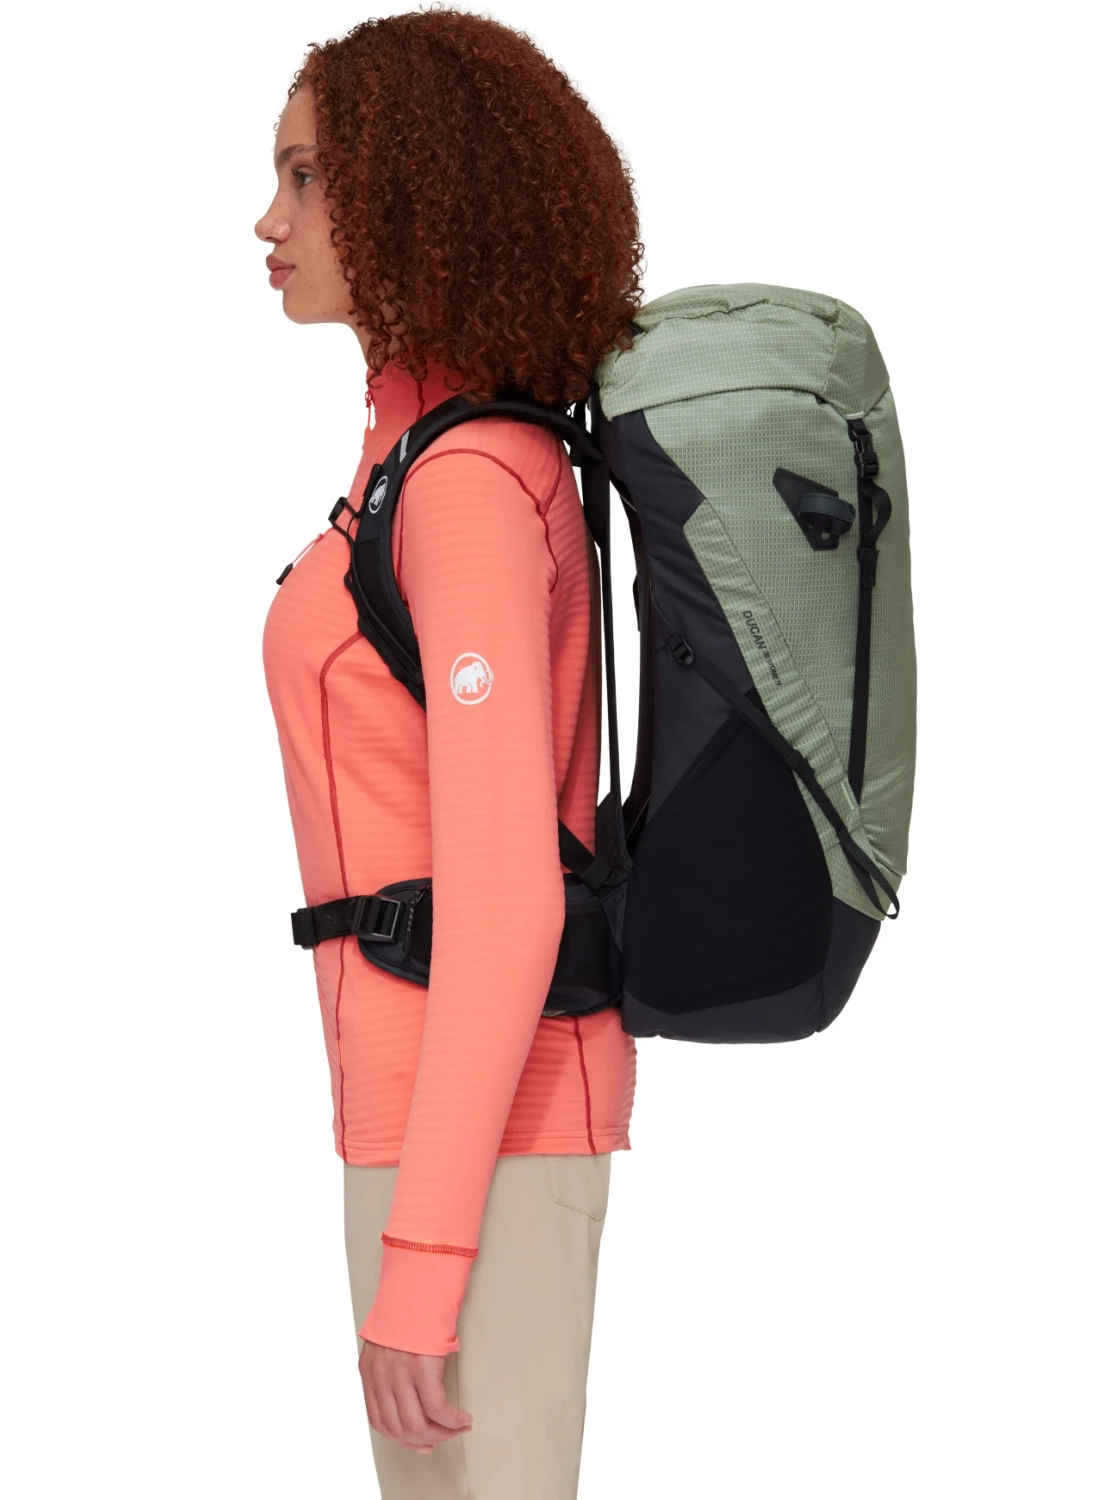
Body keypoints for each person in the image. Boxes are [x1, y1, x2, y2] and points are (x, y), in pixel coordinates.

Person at [254, 11, 645, 1497]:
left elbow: (510, 899)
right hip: (424, 1123)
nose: (269, 221)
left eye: (305, 177)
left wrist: (422, 1263)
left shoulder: (468, 483)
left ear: (413, 192)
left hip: (488, 1139)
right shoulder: (413, 458)